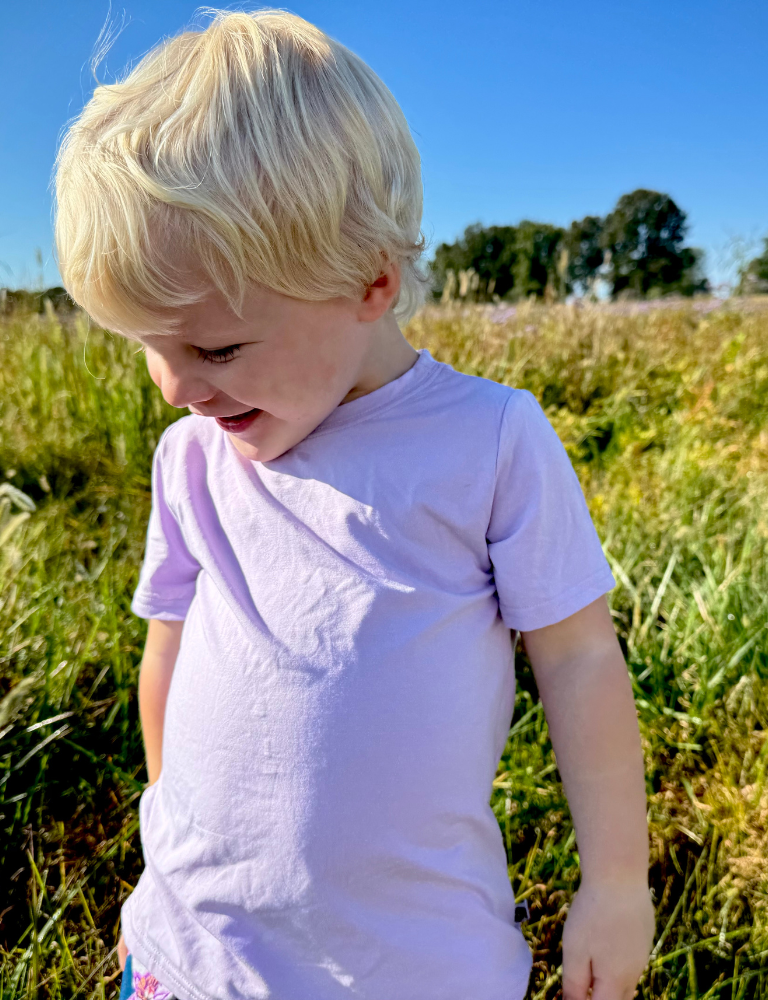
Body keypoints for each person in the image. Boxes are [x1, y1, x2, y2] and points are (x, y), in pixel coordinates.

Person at [54, 9, 654, 999]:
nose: (174, 388)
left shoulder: (488, 440)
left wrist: (616, 884)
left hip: (408, 966)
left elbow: (581, 658)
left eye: (214, 349)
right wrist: (162, 861)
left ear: (369, 282)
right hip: (193, 955)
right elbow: (167, 649)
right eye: (148, 347)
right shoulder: (192, 457)